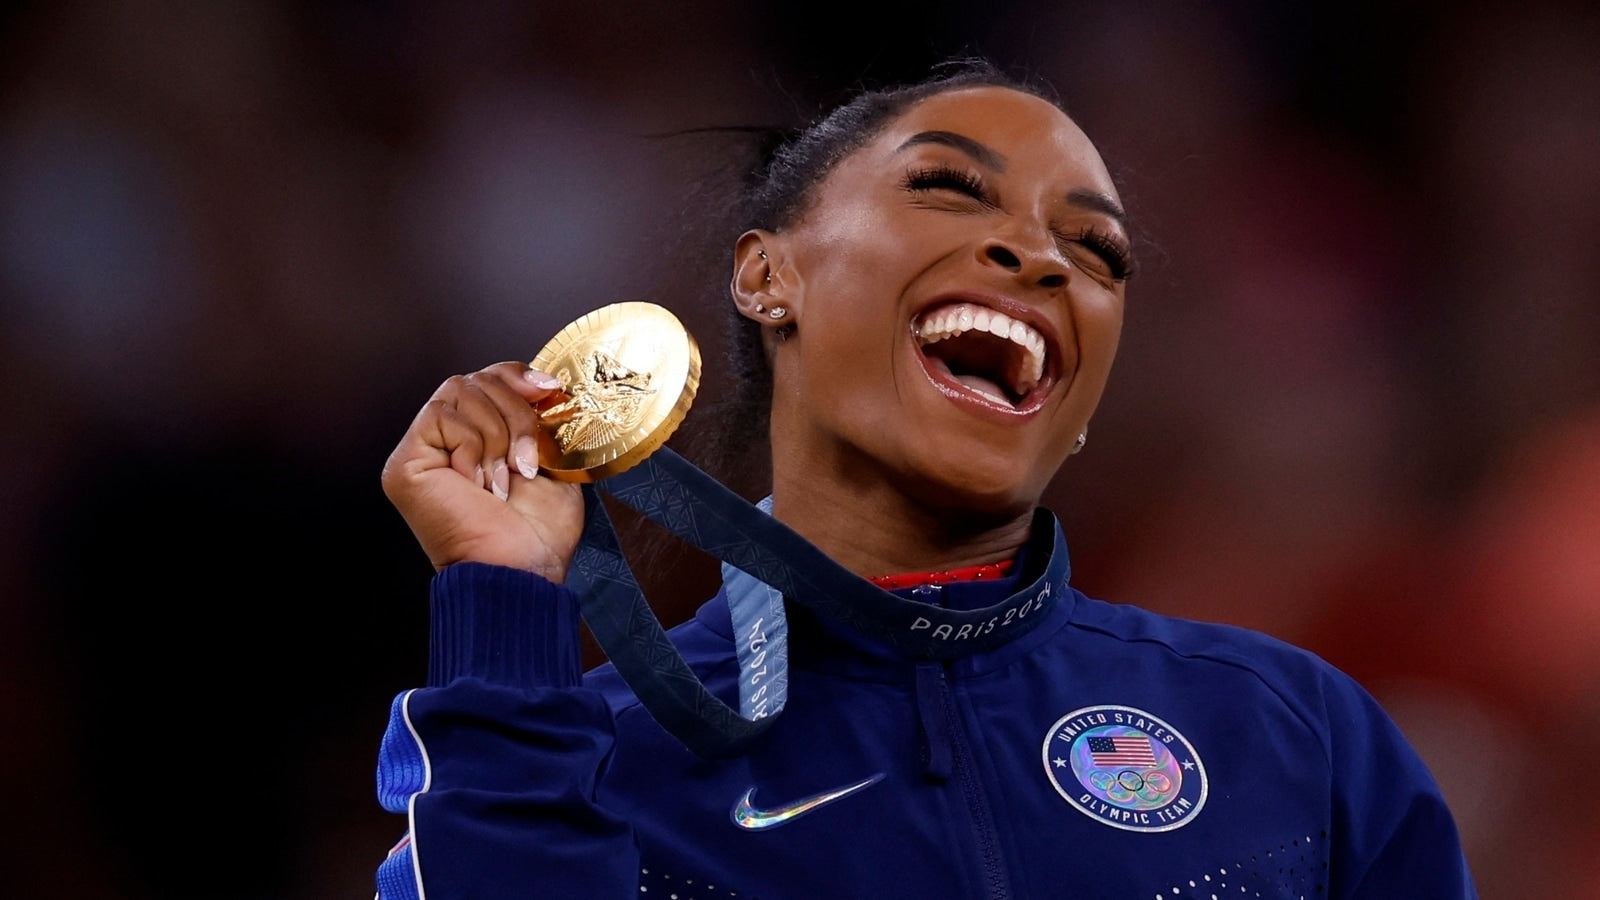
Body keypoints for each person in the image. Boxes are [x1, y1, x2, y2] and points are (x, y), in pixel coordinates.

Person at [372, 59, 1478, 899]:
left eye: (1096, 254)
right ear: (768, 278)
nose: (1042, 258)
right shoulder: (577, 757)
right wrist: (503, 602)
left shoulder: (1289, 732)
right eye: (950, 188)